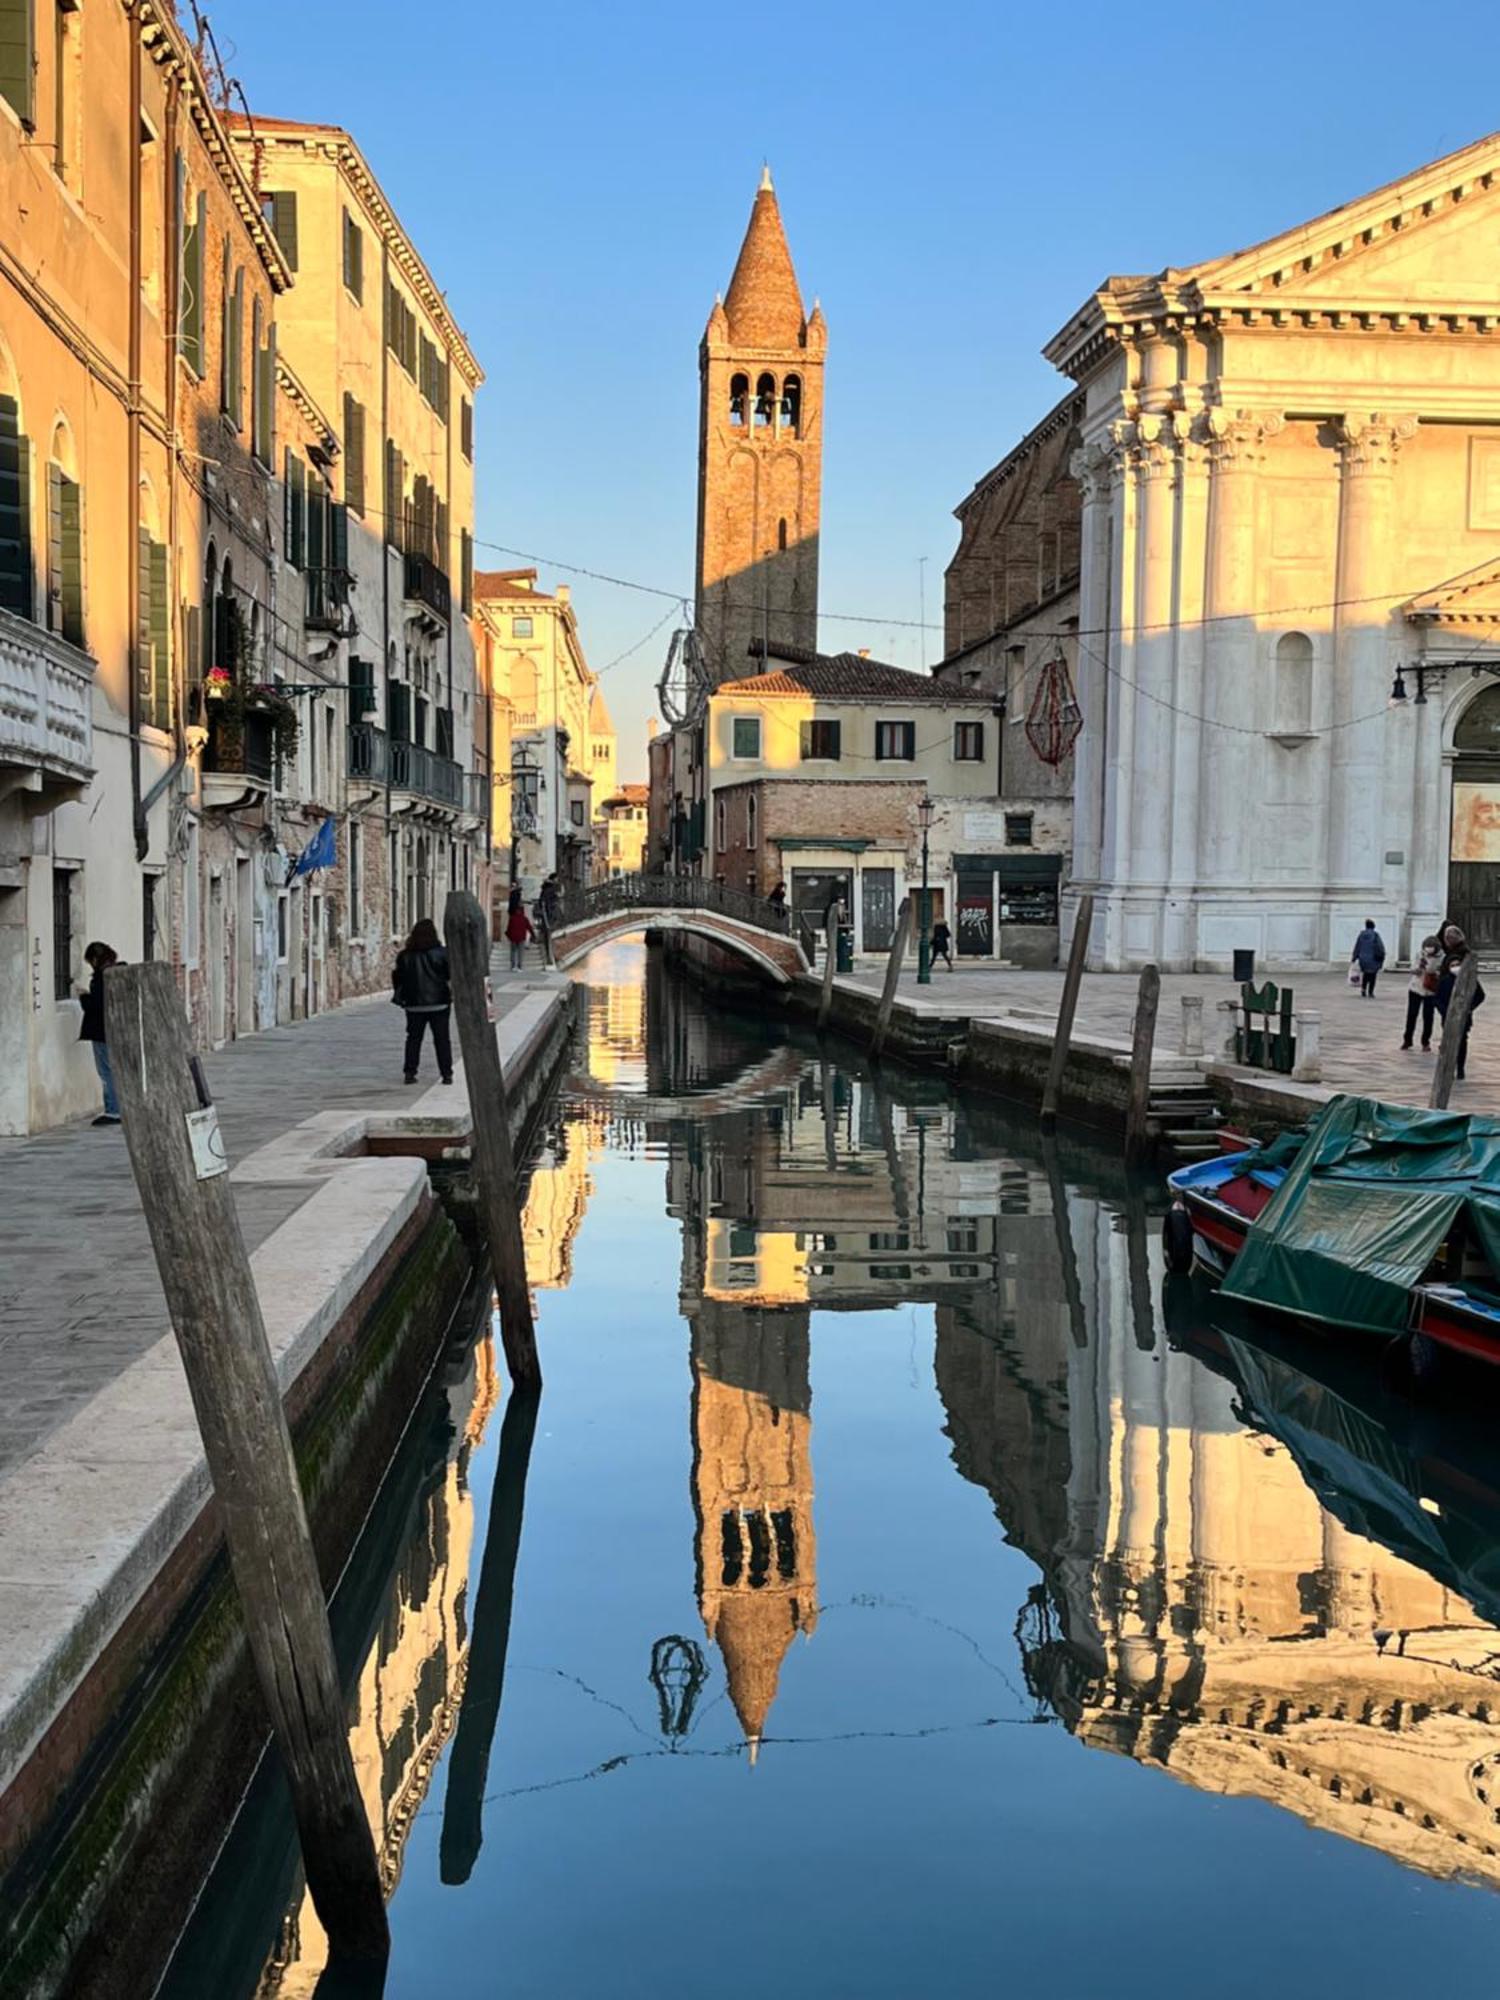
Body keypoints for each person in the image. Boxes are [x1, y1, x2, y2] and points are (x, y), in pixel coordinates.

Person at [392, 918, 452, 1085]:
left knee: (413, 1039)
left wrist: (402, 997)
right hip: (439, 1003)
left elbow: (398, 979)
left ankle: (410, 1073)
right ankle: (446, 1074)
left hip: (414, 1004)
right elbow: (449, 975)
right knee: (442, 1039)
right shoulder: (442, 953)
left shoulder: (404, 956)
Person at [1436, 923, 1486, 1083]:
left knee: (1457, 1039)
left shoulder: (1458, 960)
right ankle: (1454, 1068)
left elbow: (1479, 994)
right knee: (1455, 1039)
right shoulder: (1460, 957)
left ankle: (1456, 1068)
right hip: (1451, 1010)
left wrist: (1467, 1008)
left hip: (1458, 1011)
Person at [78, 941, 121, 1126]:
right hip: (117, 1029)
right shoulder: (118, 973)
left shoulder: (103, 978)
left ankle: (113, 1110)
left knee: (106, 1071)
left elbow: (97, 1006)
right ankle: (118, 1108)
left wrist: (83, 996)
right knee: (114, 1070)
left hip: (102, 1031)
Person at [1402, 935, 1445, 1051]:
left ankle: (1425, 1041)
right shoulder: (1420, 954)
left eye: (1431, 947)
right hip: (1416, 987)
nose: (1428, 950)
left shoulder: (1442, 957)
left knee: (1428, 1017)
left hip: (1430, 990)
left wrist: (1434, 972)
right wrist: (1418, 968)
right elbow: (1413, 968)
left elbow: (1441, 971)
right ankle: (1407, 1039)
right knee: (1412, 1015)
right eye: (1427, 947)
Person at [1351, 917, 1386, 998]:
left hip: (1363, 959)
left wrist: (1354, 957)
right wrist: (1382, 957)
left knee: (1365, 975)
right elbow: (1380, 947)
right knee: (1372, 975)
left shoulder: (1361, 935)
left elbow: (1357, 947)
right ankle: (1370, 991)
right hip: (1373, 959)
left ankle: (1363, 989)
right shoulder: (1375, 935)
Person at [504, 886, 535, 971]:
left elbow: (509, 927)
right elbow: (529, 927)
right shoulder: (524, 919)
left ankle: (513, 966)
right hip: (521, 937)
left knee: (513, 951)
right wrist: (533, 935)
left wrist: (508, 935)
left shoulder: (512, 918)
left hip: (513, 937)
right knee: (521, 953)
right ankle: (520, 966)